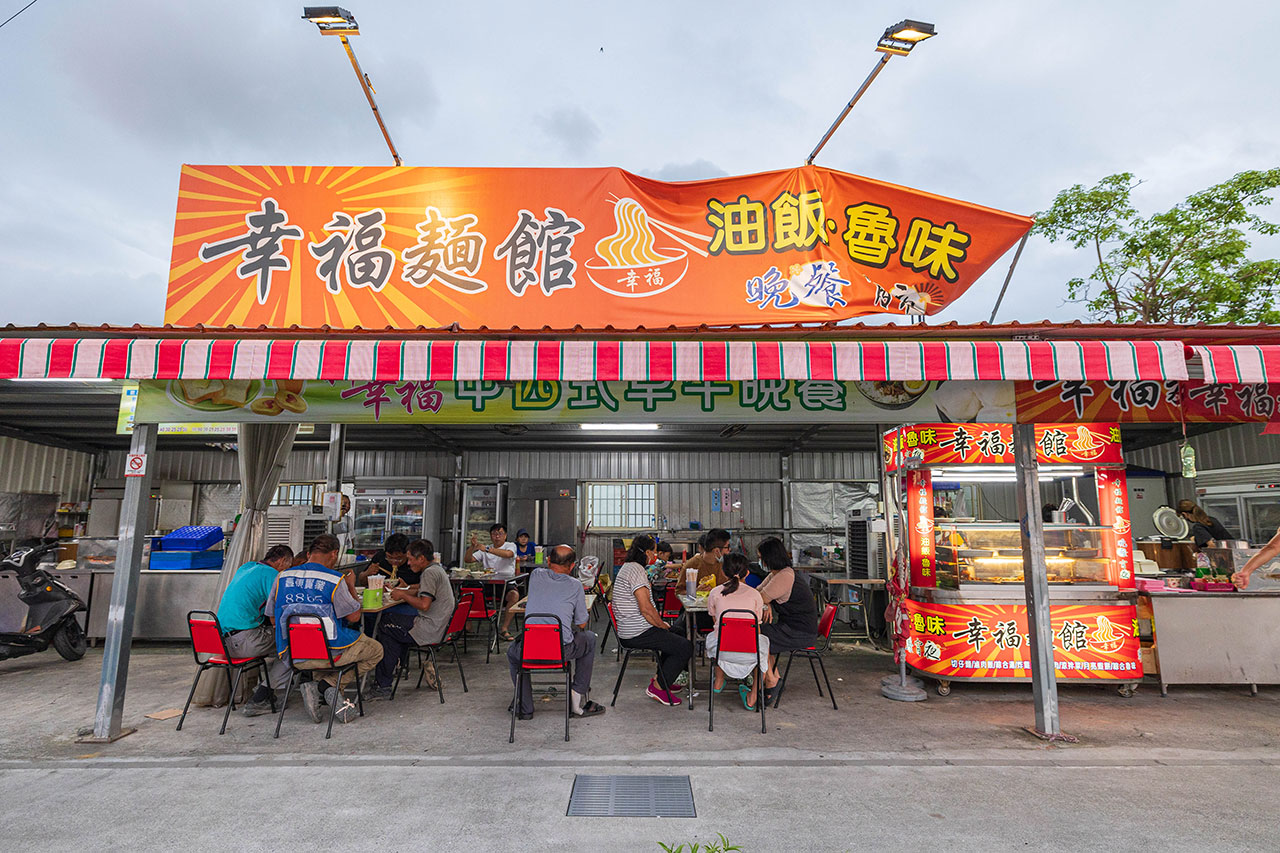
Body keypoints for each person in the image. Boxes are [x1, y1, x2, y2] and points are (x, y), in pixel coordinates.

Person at [266, 534, 384, 725]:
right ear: (334, 554)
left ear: (309, 553)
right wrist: (351, 586)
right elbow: (354, 617)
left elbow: (272, 617)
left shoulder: (282, 577)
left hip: (293, 655)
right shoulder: (334, 579)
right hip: (328, 654)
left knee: (323, 661)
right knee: (376, 650)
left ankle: (323, 689)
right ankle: (326, 686)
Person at [508, 545, 605, 719]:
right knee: (589, 638)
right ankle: (576, 702)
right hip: (560, 652)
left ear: (548, 561)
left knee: (512, 653)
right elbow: (582, 624)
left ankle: (525, 708)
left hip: (529, 651)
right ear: (573, 566)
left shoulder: (536, 575)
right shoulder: (576, 586)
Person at [611, 533, 693, 706]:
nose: (654, 556)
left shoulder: (630, 567)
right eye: (653, 552)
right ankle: (658, 687)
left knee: (679, 632)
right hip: (637, 632)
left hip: (633, 628)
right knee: (685, 646)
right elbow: (646, 608)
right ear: (646, 552)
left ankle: (662, 678)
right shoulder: (636, 570)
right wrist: (660, 624)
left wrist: (662, 626)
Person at [369, 539, 455, 698]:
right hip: (443, 627)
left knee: (385, 625)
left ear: (421, 558)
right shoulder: (436, 569)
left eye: (410, 559)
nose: (408, 563)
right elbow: (422, 589)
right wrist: (406, 589)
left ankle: (383, 683)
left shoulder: (429, 573)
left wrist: (402, 594)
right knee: (393, 624)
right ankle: (395, 667)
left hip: (431, 629)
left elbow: (424, 605)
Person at [216, 544, 294, 716]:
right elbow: (278, 609)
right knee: (294, 645)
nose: (288, 570)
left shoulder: (246, 567)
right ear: (282, 561)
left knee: (281, 641)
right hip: (244, 641)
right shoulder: (273, 575)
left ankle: (270, 687)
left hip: (220, 642)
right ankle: (261, 697)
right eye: (288, 565)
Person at [755, 536, 818, 707]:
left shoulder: (785, 576)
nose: (760, 562)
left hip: (800, 632)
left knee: (757, 635)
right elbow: (757, 594)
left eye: (761, 558)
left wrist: (765, 602)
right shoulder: (775, 574)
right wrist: (766, 603)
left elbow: (759, 598)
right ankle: (771, 676)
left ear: (770, 557)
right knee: (762, 631)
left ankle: (771, 680)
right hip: (789, 627)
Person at [705, 552, 770, 710]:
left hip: (723, 653)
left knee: (716, 634)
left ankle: (719, 680)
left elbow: (716, 623)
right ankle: (753, 696)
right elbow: (756, 626)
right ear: (747, 573)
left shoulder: (715, 593)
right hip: (751, 654)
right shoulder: (755, 595)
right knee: (763, 644)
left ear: (722, 572)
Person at [466, 523, 522, 641]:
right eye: (494, 534)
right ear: (491, 536)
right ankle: (468, 625)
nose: (497, 536)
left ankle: (504, 628)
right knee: (468, 591)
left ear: (505, 535)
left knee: (514, 595)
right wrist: (472, 547)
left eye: (500, 534)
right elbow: (468, 560)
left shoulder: (510, 546)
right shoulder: (484, 549)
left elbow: (508, 555)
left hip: (506, 583)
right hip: (488, 583)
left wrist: (487, 549)